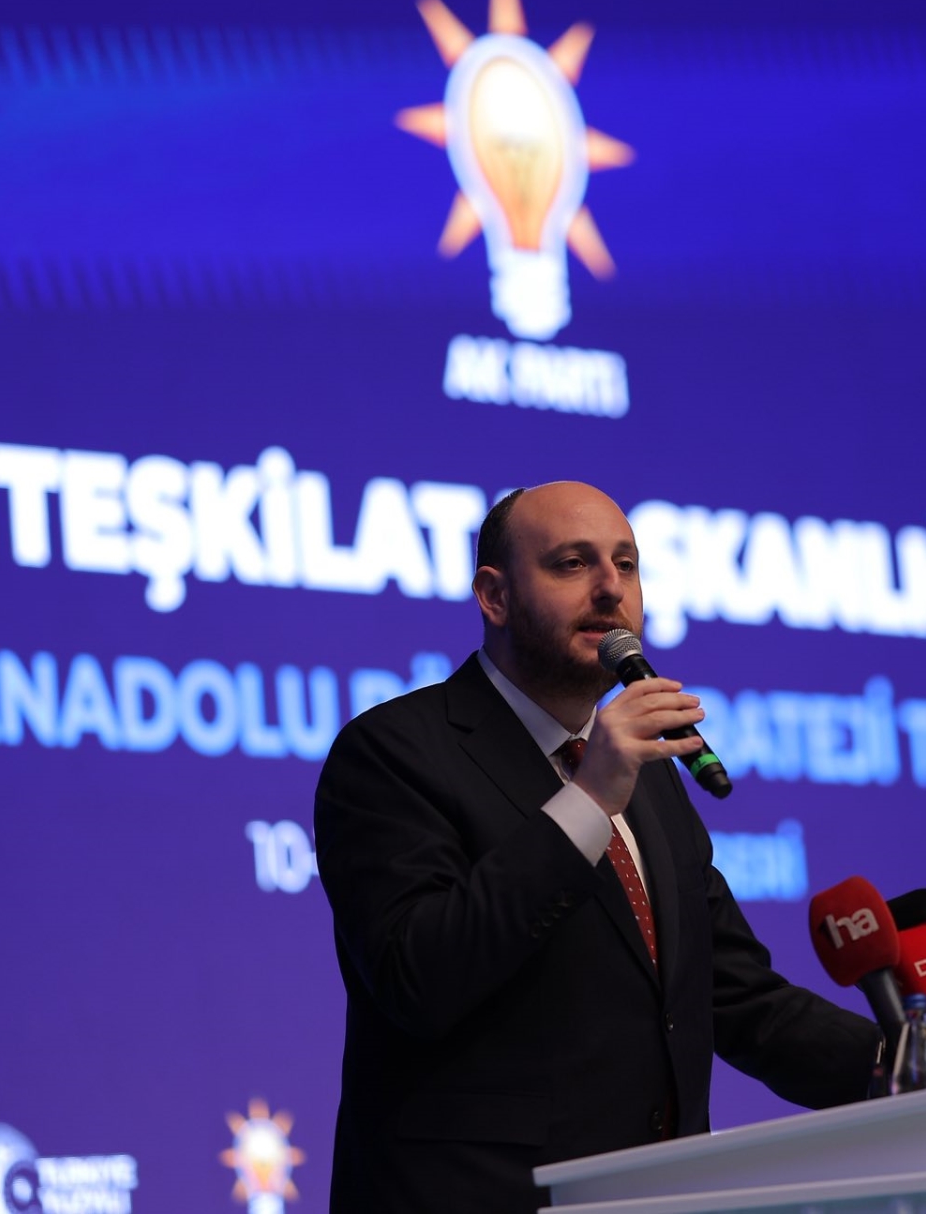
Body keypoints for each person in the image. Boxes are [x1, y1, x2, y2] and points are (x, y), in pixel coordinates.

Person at [314, 481, 879, 1212]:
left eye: (626, 564)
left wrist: (909, 1063)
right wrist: (586, 800)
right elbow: (417, 978)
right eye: (573, 563)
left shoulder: (647, 777)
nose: (611, 588)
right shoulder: (393, 753)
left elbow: (736, 996)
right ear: (494, 595)